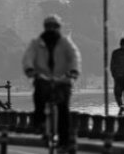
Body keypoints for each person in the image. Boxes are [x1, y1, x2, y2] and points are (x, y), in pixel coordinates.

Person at [22, 14, 81, 153]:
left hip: (62, 80)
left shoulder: (65, 43)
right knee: (39, 97)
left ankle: (64, 141)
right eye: (49, 27)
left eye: (54, 27)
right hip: (43, 78)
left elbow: (74, 56)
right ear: (45, 28)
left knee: (63, 110)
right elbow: (28, 57)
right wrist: (30, 69)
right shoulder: (36, 43)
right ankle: (40, 122)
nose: (51, 29)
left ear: (58, 28)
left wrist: (73, 71)